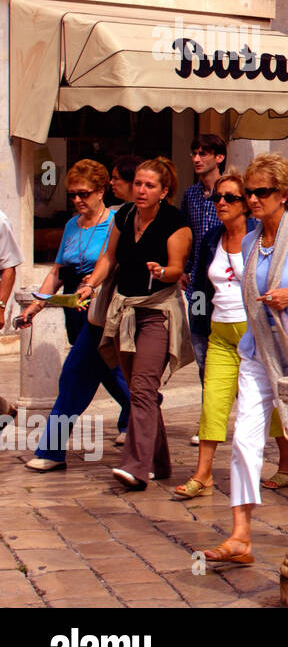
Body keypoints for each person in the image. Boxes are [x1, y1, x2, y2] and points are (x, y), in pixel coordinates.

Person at [198, 154, 288, 564]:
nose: (252, 198)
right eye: (250, 191)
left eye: (261, 191)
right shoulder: (249, 241)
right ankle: (241, 534)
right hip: (255, 353)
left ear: (284, 194)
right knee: (244, 440)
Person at [77, 157, 194, 491]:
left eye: (149, 186)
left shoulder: (176, 223)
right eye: (138, 184)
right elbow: (108, 258)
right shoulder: (124, 215)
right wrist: (90, 285)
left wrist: (161, 272)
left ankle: (135, 467)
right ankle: (159, 462)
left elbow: (176, 268)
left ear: (164, 191)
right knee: (140, 389)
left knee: (142, 387)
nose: (141, 190)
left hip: (157, 311)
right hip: (123, 311)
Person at [175, 173, 288, 499]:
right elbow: (199, 281)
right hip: (220, 332)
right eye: (217, 198)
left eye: (230, 198)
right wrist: (198, 323)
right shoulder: (212, 237)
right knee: (212, 401)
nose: (220, 203)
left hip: (256, 332)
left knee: (271, 403)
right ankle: (203, 473)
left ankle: (285, 464)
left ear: (246, 203)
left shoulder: (261, 236)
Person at [18, 160, 131, 471]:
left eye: (83, 194)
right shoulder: (70, 226)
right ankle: (148, 425)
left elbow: (113, 267)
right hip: (75, 313)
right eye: (73, 195)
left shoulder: (116, 223)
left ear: (100, 191)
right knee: (118, 379)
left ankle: (51, 451)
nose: (78, 200)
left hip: (103, 313)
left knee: (73, 377)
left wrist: (92, 288)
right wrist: (36, 305)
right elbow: (57, 271)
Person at [180, 135, 227, 445]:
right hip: (198, 285)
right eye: (194, 153)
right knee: (201, 351)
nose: (197, 159)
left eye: (204, 154)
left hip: (227, 283)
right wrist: (182, 267)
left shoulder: (231, 192)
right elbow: (185, 232)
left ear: (219, 158)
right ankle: (208, 417)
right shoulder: (191, 195)